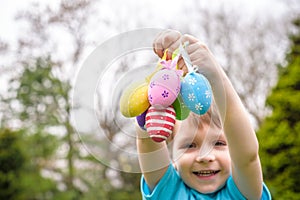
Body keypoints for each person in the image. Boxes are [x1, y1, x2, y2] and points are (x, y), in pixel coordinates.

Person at [136, 29, 271, 199]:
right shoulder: (169, 191)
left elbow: (247, 157)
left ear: (234, 148)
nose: (204, 156)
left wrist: (216, 77)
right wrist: (161, 84)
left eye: (219, 143)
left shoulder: (242, 192)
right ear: (172, 155)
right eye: (190, 145)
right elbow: (148, 142)